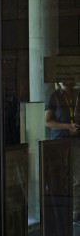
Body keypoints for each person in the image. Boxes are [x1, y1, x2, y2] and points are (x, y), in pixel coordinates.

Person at [45, 82, 80, 223]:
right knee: (61, 178)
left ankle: (75, 213)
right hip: (59, 142)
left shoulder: (77, 94)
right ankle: (60, 214)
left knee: (77, 179)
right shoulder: (54, 96)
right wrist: (67, 127)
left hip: (76, 141)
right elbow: (47, 122)